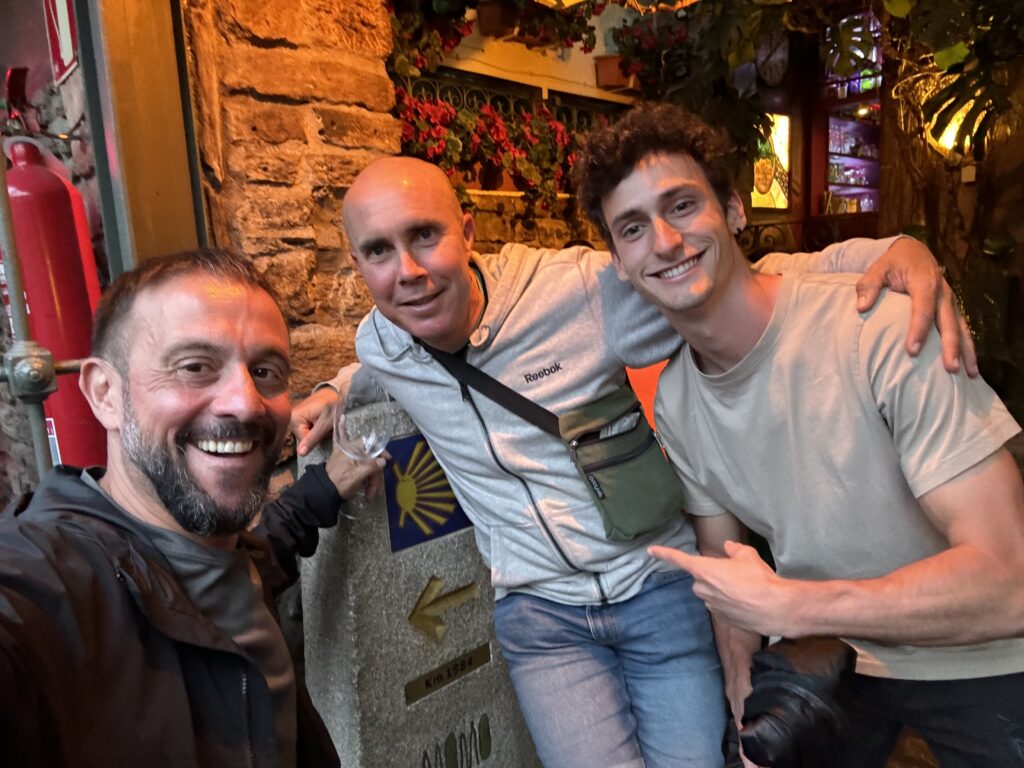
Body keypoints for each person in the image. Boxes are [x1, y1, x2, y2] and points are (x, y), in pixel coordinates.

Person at [291, 156, 970, 768]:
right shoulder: (385, 341)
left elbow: (739, 281)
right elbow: (378, 360)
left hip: (658, 591)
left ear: (467, 232)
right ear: (358, 264)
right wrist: (333, 389)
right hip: (542, 620)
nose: (407, 271)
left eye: (424, 236)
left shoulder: (577, 293)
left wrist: (887, 251)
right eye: (378, 251)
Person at [574, 101, 1024, 767]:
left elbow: (1010, 581)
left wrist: (793, 607)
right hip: (833, 663)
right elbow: (729, 574)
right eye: (633, 228)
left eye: (682, 205)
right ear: (618, 261)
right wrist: (742, 707)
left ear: (734, 210)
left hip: (981, 653)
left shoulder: (879, 328)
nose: (664, 241)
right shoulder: (675, 398)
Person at [0, 249, 385, 767]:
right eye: (195, 367)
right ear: (105, 393)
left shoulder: (226, 558)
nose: (245, 402)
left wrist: (328, 486)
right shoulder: (43, 588)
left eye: (265, 371)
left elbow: (265, 546)